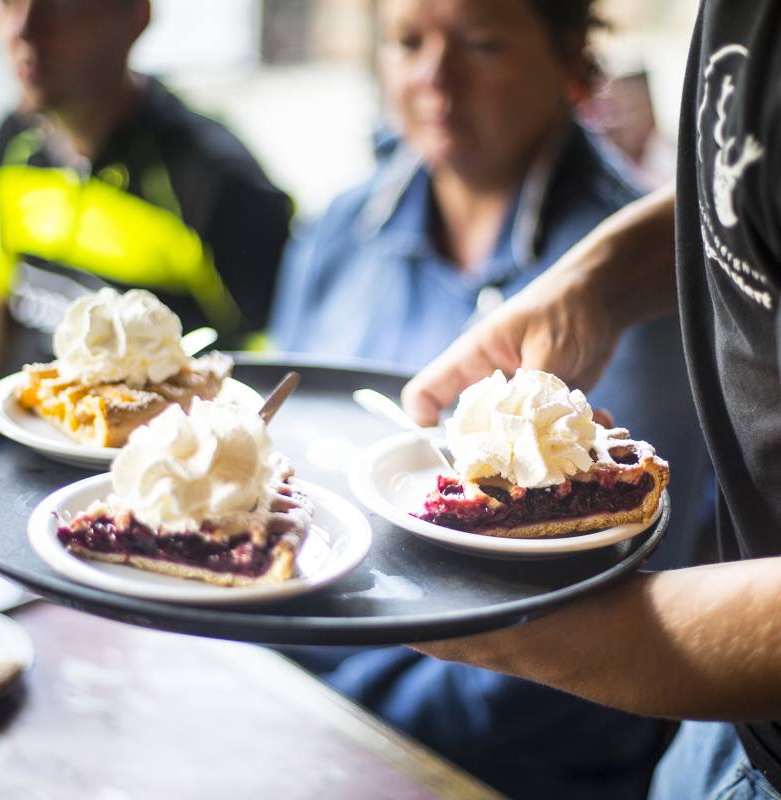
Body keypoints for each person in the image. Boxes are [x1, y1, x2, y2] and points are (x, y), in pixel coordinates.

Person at [270, 0, 712, 797]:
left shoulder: (650, 293)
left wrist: (331, 718)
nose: (434, 77)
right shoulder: (338, 233)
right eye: (407, 42)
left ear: (572, 56)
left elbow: (616, 631)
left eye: (480, 44)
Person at [399, 0, 781, 797]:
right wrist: (601, 281)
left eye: (483, 43)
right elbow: (751, 185)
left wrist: (538, 635)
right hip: (717, 739)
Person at [0, 0, 290, 389]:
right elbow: (5, 297)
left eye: (57, 7)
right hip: (23, 424)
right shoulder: (15, 139)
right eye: (8, 3)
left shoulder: (218, 182)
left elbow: (271, 377)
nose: (21, 29)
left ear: (135, 17)